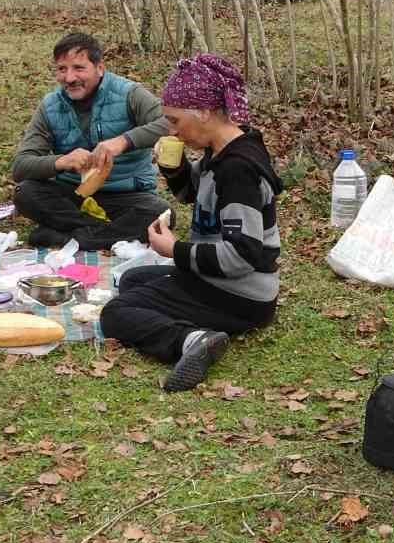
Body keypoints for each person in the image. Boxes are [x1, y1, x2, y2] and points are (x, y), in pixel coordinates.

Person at [99, 54, 282, 392]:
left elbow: (242, 256)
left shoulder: (238, 169)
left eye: (175, 120)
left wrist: (174, 250)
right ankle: (188, 321)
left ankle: (191, 339)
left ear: (204, 113)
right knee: (133, 279)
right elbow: (194, 193)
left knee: (116, 313)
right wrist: (175, 168)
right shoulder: (226, 148)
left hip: (239, 294)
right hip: (233, 286)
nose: (171, 130)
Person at [11, 32, 171, 249]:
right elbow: (21, 167)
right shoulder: (50, 106)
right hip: (74, 195)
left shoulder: (129, 94)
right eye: (62, 69)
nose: (69, 78)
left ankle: (67, 238)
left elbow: (171, 123)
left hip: (127, 194)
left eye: (79, 68)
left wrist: (123, 141)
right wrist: (61, 162)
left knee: (161, 213)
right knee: (25, 193)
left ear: (100, 68)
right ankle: (103, 234)